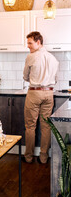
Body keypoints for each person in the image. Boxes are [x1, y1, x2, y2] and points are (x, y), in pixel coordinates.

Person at [23, 31, 59, 164]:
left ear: (38, 42)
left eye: (30, 43)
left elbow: (25, 77)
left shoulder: (31, 57)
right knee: (46, 126)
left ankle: (28, 157)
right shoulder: (53, 58)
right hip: (49, 94)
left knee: (30, 126)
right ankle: (44, 157)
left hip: (34, 93)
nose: (28, 46)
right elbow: (56, 78)